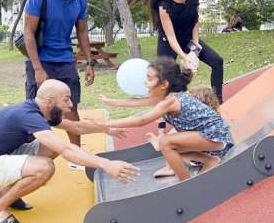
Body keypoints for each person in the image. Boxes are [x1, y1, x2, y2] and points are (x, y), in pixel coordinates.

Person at [0, 79, 138, 223]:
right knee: (44, 167)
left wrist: (107, 129)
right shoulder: (28, 115)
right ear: (50, 100)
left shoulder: (41, 111)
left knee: (50, 146)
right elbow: (67, 150)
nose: (70, 105)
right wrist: (106, 164)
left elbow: (76, 127)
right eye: (66, 100)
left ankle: (6, 192)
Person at [100, 58, 234, 181]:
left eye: (149, 78)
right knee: (170, 148)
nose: (144, 82)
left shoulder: (170, 101)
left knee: (166, 143)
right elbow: (135, 102)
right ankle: (210, 160)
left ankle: (185, 182)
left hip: (215, 136)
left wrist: (104, 123)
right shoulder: (163, 98)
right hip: (212, 137)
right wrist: (112, 102)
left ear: (164, 84)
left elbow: (141, 121)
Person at [24, 0, 94, 147]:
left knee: (70, 107)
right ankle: (29, 153)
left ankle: (76, 153)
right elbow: (28, 32)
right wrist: (38, 69)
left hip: (64, 60)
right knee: (35, 109)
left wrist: (89, 62)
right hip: (41, 60)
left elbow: (82, 31)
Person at [134, 0, 224, 103]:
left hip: (188, 38)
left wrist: (194, 50)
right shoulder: (164, 6)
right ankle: (164, 112)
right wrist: (184, 57)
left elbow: (195, 23)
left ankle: (218, 102)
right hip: (168, 43)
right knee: (165, 77)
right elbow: (171, 37)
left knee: (217, 61)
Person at [145, 86, 221, 178]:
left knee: (171, 145)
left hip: (203, 155)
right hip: (205, 149)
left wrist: (162, 129)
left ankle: (169, 166)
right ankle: (162, 146)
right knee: (173, 137)